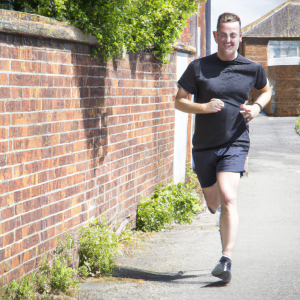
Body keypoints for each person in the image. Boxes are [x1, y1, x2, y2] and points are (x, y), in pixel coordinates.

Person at [175, 12, 271, 284]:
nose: (229, 39)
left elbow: (266, 90)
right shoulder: (198, 67)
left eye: (234, 35)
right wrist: (203, 107)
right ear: (216, 36)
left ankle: (225, 260)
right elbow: (179, 101)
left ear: (240, 38)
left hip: (235, 141)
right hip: (204, 146)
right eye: (224, 34)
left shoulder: (252, 68)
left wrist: (255, 107)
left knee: (229, 198)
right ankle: (217, 209)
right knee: (214, 204)